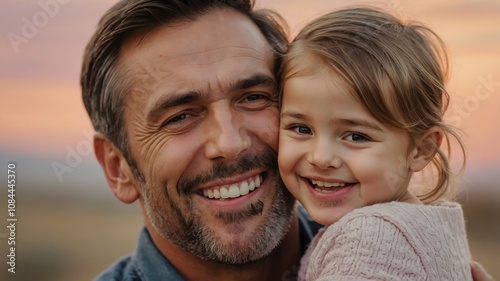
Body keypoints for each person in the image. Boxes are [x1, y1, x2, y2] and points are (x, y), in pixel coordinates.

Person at [80, 0, 494, 280]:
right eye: (181, 115)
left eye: (254, 97)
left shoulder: (377, 248)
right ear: (118, 168)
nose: (230, 142)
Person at [277, 7, 475, 280]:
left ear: (422, 149)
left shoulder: (372, 238)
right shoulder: (432, 226)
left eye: (357, 136)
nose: (320, 157)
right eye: (301, 128)